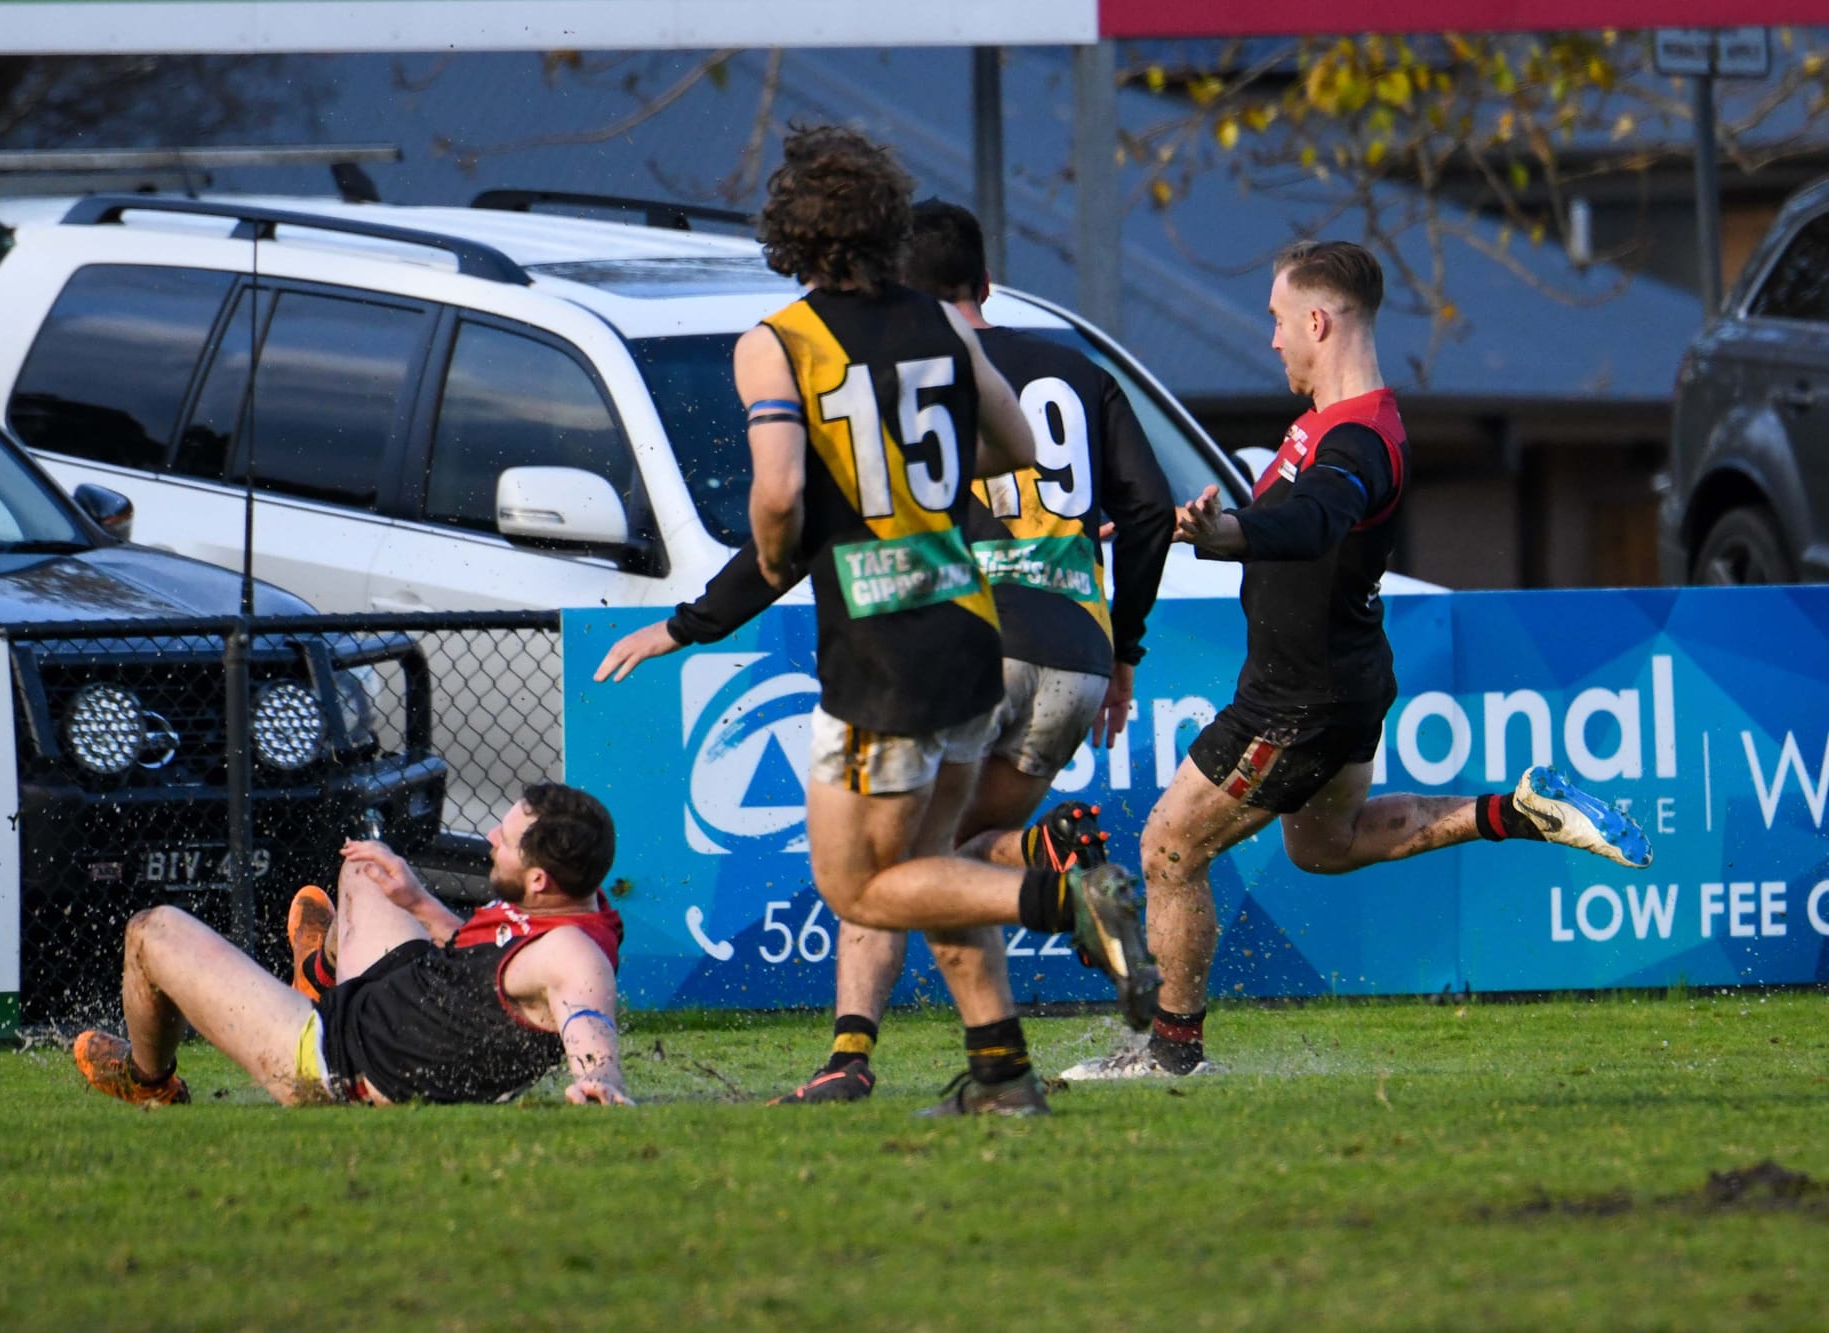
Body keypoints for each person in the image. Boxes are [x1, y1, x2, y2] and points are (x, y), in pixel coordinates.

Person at [594, 126, 1158, 1116]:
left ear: (789, 232)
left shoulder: (776, 343)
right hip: (971, 629)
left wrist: (773, 556)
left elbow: (776, 497)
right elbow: (1016, 443)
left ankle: (1064, 899)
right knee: (928, 871)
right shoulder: (943, 328)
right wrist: (920, 480)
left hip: (880, 654)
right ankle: (1000, 1075)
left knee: (859, 888)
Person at [1065, 239, 1654, 1082]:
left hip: (1294, 699)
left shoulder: (1360, 441)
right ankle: (1516, 810)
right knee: (1325, 844)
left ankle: (1172, 1054)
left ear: (1317, 320)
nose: (1271, 340)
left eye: (1276, 321)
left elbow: (1309, 527)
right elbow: (1271, 529)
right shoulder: (1321, 426)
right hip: (1340, 678)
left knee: (1167, 850)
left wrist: (1225, 528)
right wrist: (1191, 527)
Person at [755, 198, 1179, 1103]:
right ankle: (1007, 1037)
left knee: (900, 861)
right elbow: (1147, 509)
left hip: (964, 633)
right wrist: (1125, 645)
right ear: (987, 283)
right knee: (959, 848)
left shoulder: (914, 363)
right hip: (1075, 649)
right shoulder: (1076, 362)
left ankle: (850, 1053)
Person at [71, 782, 633, 1107]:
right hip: (400, 997)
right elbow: (489, 968)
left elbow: (589, 1019)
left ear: (538, 880)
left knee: (152, 931)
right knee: (367, 869)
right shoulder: (569, 895)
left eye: (505, 841)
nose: (490, 837)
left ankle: (151, 1082)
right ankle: (316, 973)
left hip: (337, 1059)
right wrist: (417, 903)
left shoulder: (573, 953)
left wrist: (597, 1081)